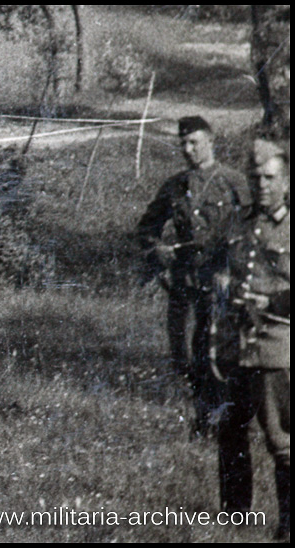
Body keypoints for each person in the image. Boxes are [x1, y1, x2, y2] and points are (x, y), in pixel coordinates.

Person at [136, 116, 250, 438]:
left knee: (220, 352)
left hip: (223, 283)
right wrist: (157, 248)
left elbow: (254, 233)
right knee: (186, 354)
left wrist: (230, 269)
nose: (188, 150)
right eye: (183, 143)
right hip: (185, 284)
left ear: (211, 140)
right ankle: (204, 414)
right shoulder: (174, 186)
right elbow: (147, 227)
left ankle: (222, 419)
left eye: (194, 142)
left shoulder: (234, 182)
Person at [216, 138, 289, 540]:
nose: (261, 184)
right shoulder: (238, 221)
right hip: (236, 346)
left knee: (283, 440)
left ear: (286, 180)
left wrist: (274, 297)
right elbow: (219, 262)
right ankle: (234, 518)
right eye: (254, 177)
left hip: (277, 345)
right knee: (230, 429)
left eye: (269, 177)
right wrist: (220, 278)